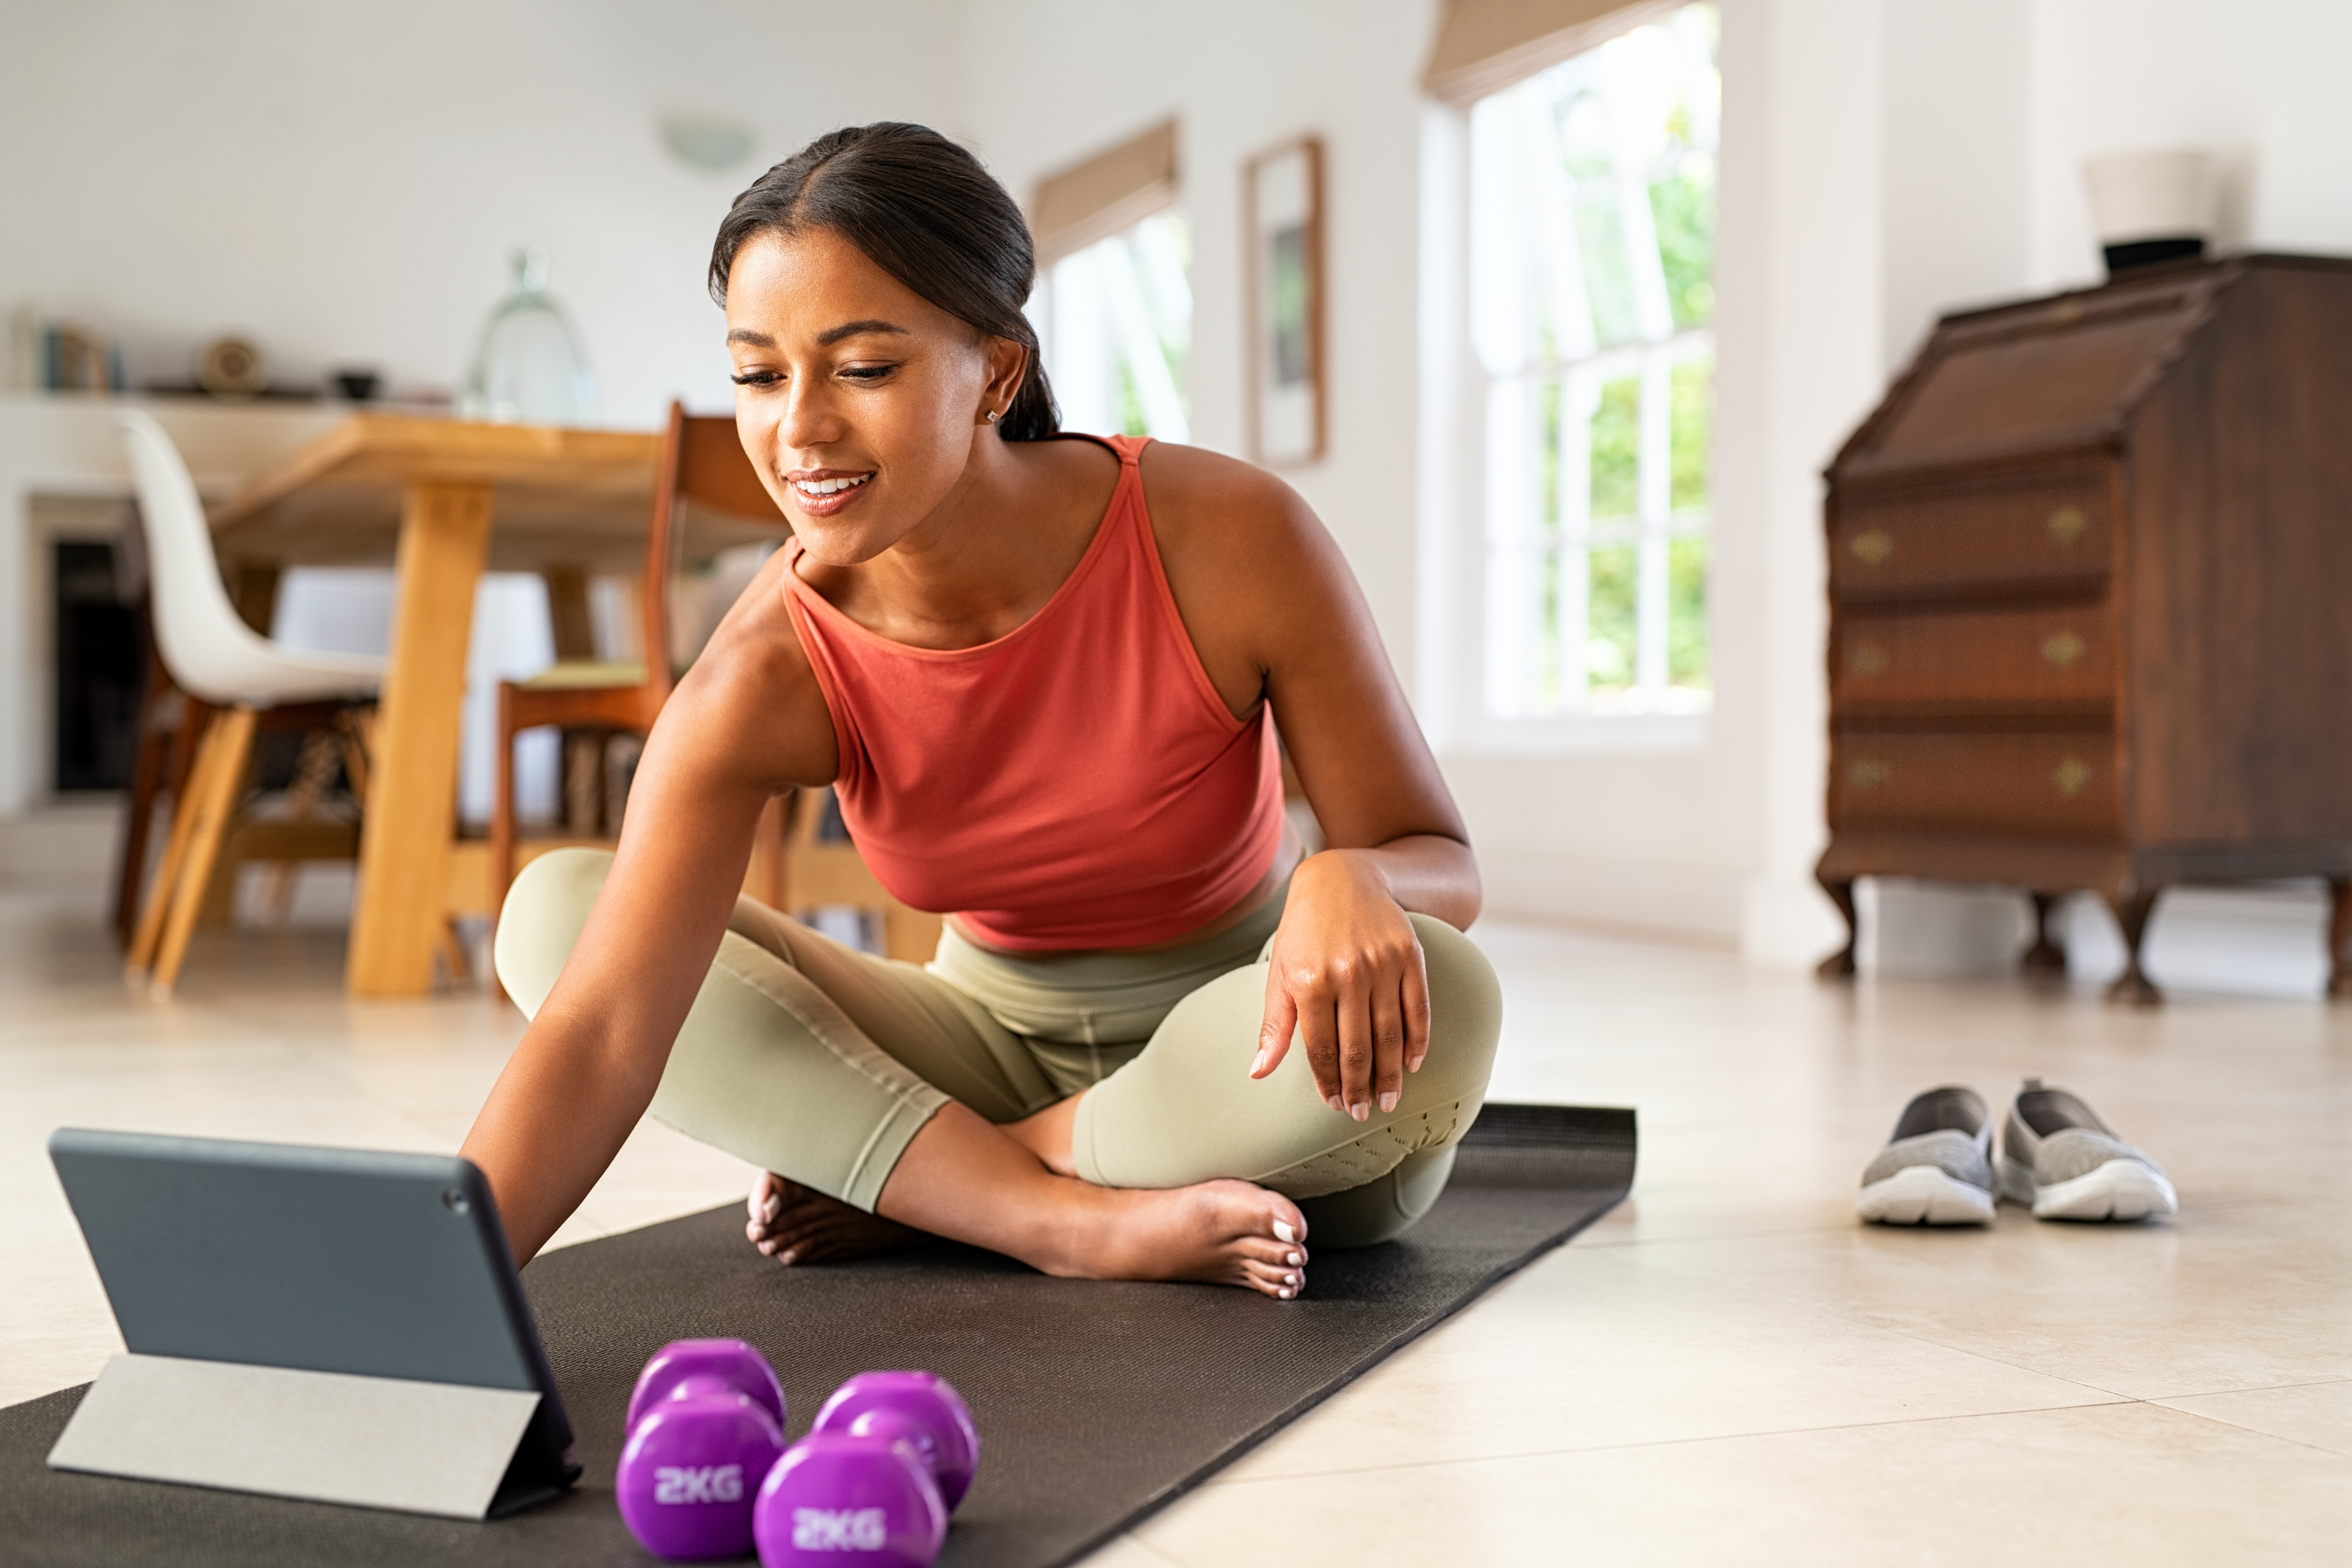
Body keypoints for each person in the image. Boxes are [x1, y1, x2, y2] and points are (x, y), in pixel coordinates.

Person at [463, 122, 1500, 1302]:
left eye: (861, 369)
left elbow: (1441, 861)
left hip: (1244, 1049)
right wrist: (434, 1296)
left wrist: (1353, 879)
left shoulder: (1228, 538)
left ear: (996, 374)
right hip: (977, 1041)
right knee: (554, 917)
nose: (798, 429)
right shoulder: (769, 666)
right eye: (758, 375)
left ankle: (955, 1182)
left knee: (1449, 998)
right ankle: (1055, 1220)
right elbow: (603, 1037)